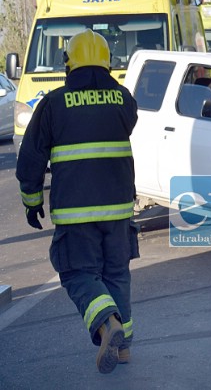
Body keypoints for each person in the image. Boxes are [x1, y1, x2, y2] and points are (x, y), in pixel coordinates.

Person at [16, 29, 139, 373]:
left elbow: (31, 157)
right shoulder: (123, 99)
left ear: (69, 64)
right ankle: (124, 345)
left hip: (75, 211)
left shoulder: (54, 103)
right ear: (107, 64)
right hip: (118, 210)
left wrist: (31, 199)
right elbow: (128, 121)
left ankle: (105, 321)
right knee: (116, 273)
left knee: (77, 272)